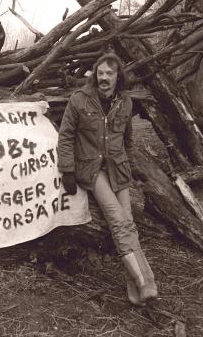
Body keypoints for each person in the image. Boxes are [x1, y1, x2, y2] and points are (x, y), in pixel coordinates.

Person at [57, 52, 158, 306]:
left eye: (109, 73)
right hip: (92, 170)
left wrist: (128, 163)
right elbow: (66, 136)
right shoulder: (80, 99)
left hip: (118, 169)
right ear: (95, 74)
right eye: (100, 73)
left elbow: (127, 139)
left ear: (117, 76)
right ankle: (145, 280)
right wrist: (68, 170)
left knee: (128, 222)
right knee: (117, 218)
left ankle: (133, 286)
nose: (104, 78)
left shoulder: (125, 102)